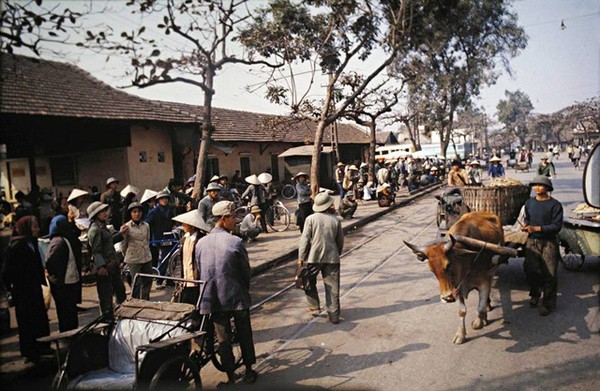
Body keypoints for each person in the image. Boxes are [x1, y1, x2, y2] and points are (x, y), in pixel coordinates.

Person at [195, 201, 257, 384]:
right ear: (223, 219)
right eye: (232, 218)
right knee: (244, 331)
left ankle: (230, 376)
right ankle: (248, 369)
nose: (235, 221)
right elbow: (246, 272)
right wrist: (244, 290)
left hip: (211, 297)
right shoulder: (235, 242)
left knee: (223, 338)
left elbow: (200, 270)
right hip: (235, 295)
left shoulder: (200, 243)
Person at [2, 216, 52, 362]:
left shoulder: (33, 242)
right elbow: (6, 272)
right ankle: (30, 352)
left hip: (34, 289)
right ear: (26, 228)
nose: (37, 229)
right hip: (23, 292)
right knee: (26, 322)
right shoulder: (16, 246)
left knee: (40, 318)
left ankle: (43, 345)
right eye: (34, 226)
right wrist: (12, 289)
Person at [298, 192, 344, 324]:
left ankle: (314, 307)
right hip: (332, 257)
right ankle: (334, 315)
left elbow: (305, 240)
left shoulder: (310, 219)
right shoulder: (336, 220)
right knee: (333, 287)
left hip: (314, 257)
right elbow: (340, 241)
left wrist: (301, 258)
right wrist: (336, 253)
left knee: (308, 282)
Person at [521, 176, 563, 316]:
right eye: (535, 185)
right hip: (532, 241)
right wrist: (527, 226)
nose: (537, 187)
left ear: (547, 188)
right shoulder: (529, 203)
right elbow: (527, 218)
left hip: (549, 242)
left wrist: (537, 228)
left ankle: (548, 304)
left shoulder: (555, 205)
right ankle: (535, 294)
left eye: (540, 185)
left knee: (550, 273)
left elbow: (556, 226)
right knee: (531, 270)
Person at [87, 201, 127, 317]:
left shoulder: (102, 226)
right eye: (101, 212)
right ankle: (106, 323)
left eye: (105, 210)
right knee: (106, 298)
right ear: (95, 215)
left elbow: (108, 242)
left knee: (120, 293)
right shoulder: (95, 230)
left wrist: (120, 234)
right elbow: (96, 251)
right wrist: (101, 266)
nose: (105, 213)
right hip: (105, 269)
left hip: (112, 265)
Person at [45, 215, 81, 332]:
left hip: (66, 281)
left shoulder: (63, 239)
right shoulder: (58, 242)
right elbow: (51, 262)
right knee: (65, 312)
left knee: (69, 311)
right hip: (62, 283)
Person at [171, 209, 210, 305]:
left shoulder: (201, 239)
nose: (183, 225)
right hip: (185, 277)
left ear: (192, 226)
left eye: (185, 224)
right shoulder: (185, 238)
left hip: (196, 277)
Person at [121, 202, 153, 300]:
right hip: (134, 259)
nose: (137, 214)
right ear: (130, 214)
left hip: (146, 257)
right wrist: (126, 257)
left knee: (147, 281)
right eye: (134, 212)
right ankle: (135, 303)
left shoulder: (146, 225)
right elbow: (123, 244)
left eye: (139, 211)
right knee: (136, 283)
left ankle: (145, 302)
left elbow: (147, 240)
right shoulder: (126, 227)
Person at [146, 191, 176, 288]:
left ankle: (170, 279)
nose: (165, 200)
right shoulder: (154, 211)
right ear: (158, 200)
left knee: (172, 258)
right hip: (160, 238)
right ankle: (159, 280)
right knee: (163, 258)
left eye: (166, 198)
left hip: (170, 236)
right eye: (162, 199)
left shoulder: (170, 209)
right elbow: (147, 224)